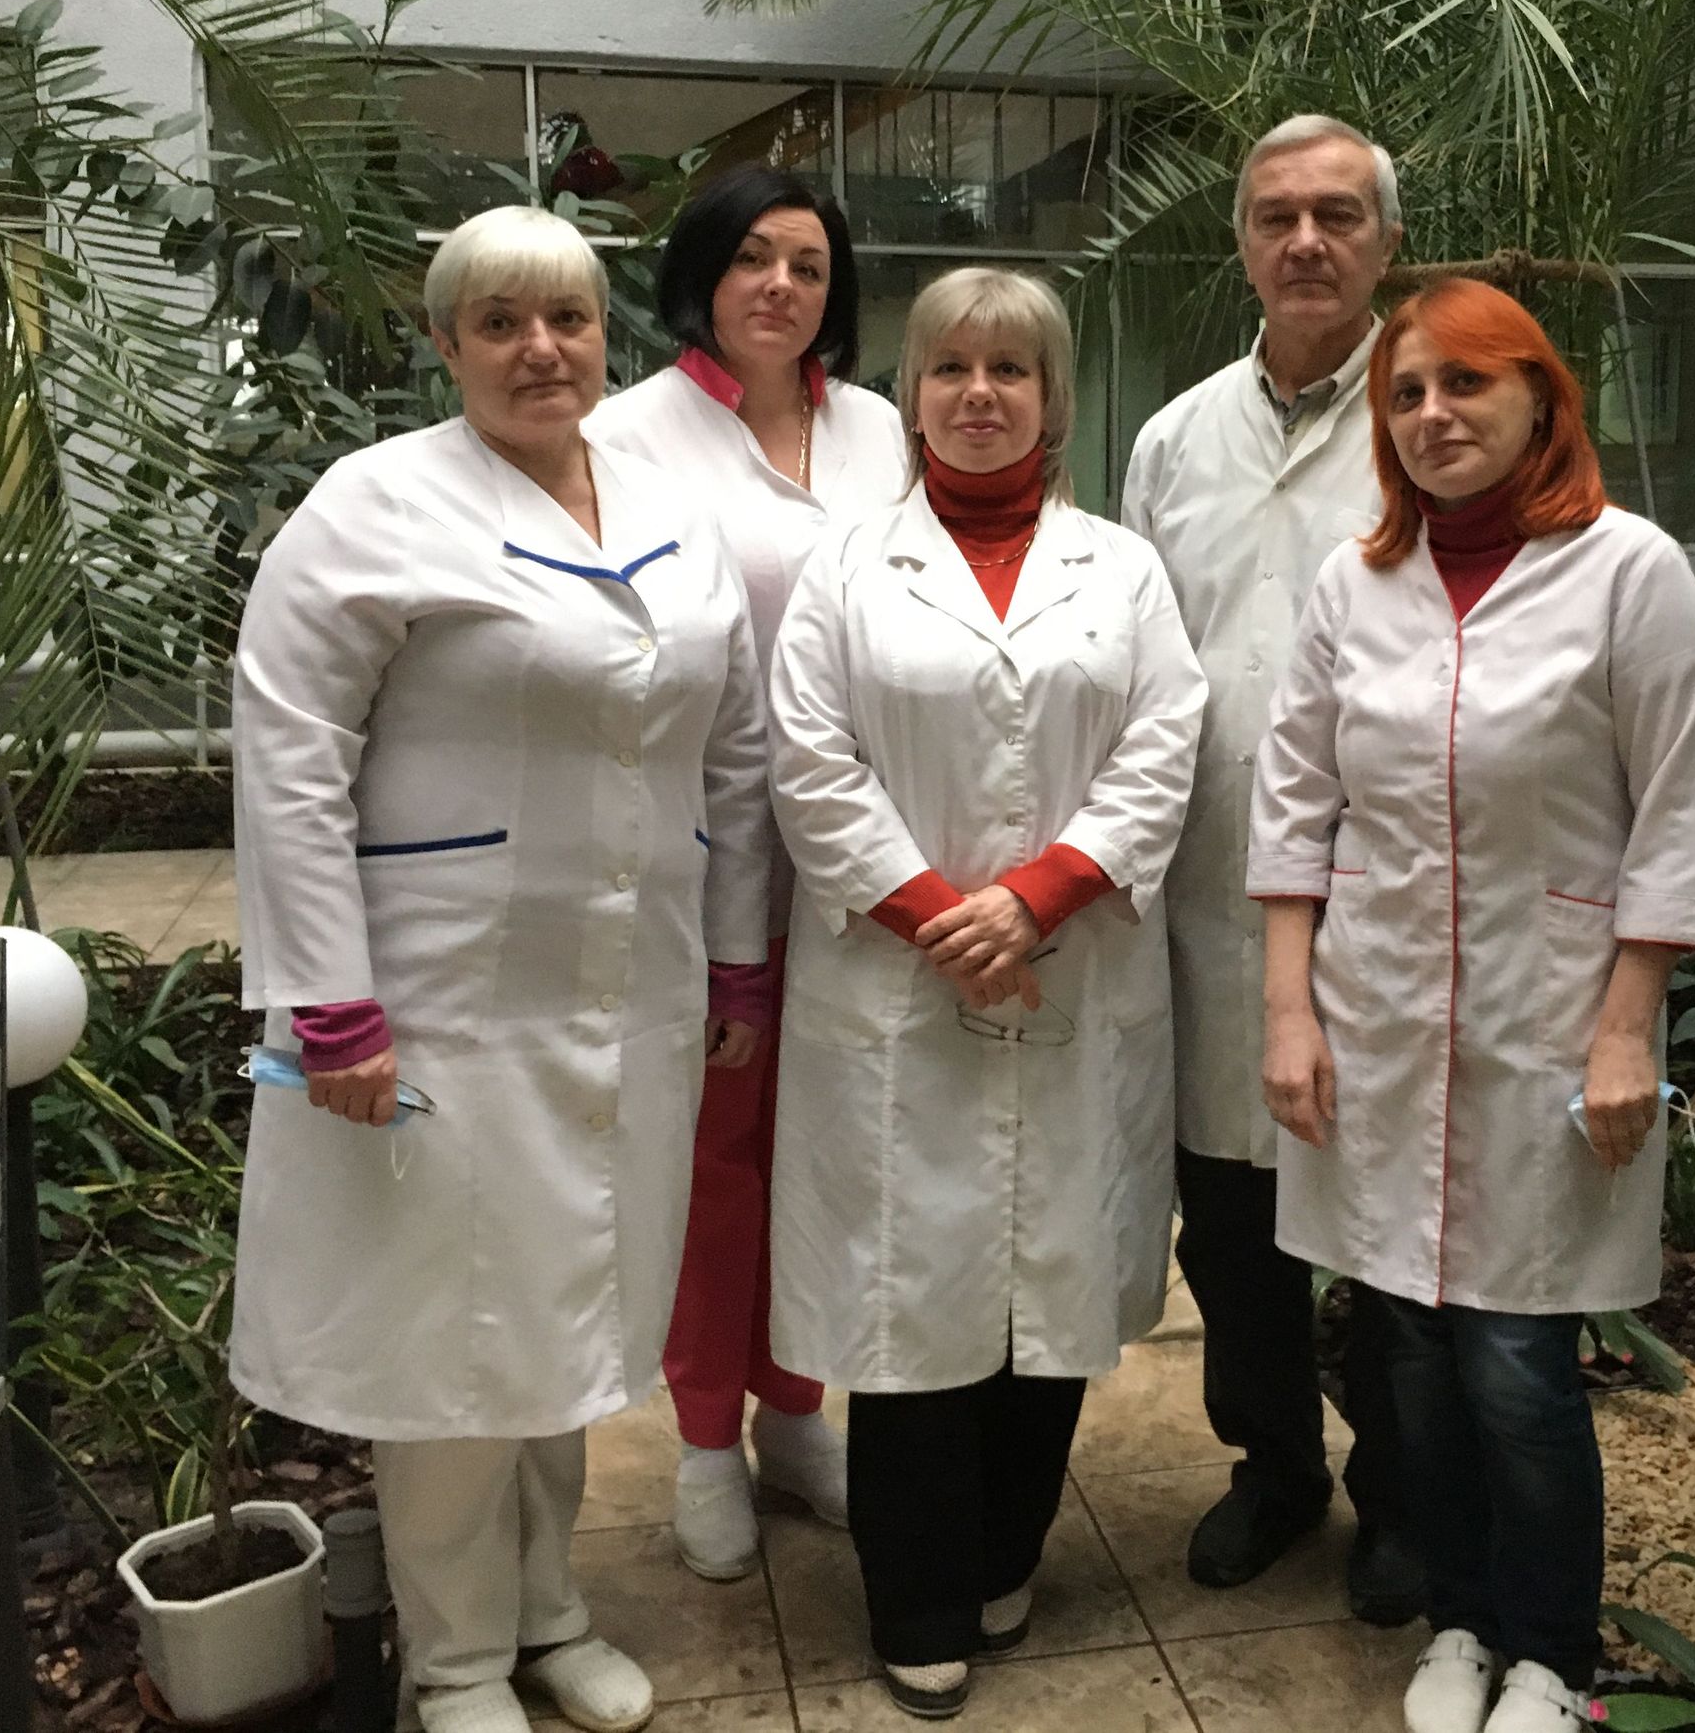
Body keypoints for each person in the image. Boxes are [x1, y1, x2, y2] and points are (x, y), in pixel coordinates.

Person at [230, 204, 774, 1733]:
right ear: (445, 344)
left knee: (571, 1315)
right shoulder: (375, 505)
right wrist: (328, 1001)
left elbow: (734, 751)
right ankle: (456, 1662)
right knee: (451, 1347)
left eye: (569, 319)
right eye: (501, 322)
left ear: (607, 335)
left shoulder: (671, 507)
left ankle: (549, 1612)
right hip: (437, 1009)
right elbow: (288, 753)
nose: (542, 349)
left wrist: (738, 964)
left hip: (632, 992)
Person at [1249, 277, 1695, 1733]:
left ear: (1539, 400)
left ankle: (1553, 1656)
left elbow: (1679, 814)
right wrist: (1288, 1012)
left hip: (1550, 1019)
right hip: (1380, 1016)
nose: (1434, 414)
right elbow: (1294, 805)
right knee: (1407, 1352)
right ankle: (1458, 1623)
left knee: (1520, 1365)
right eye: (1407, 393)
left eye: (1466, 383)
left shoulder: (1629, 572)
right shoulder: (1355, 583)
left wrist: (1627, 1027)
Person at [765, 266, 1207, 1719]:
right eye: (949, 367)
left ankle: (1010, 1551)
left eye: (1009, 370)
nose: (977, 393)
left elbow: (1165, 742)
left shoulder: (1122, 570)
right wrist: (937, 912)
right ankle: (916, 1597)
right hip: (899, 993)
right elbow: (809, 760)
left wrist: (1041, 895)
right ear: (911, 395)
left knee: (1052, 1282)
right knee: (911, 1301)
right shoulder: (846, 566)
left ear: (1053, 398)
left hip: (1069, 971)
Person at [1118, 112, 1423, 1620]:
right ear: (1240, 242)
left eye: (1337, 215)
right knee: (1230, 1218)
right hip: (1198, 897)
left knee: (1387, 1215)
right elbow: (1129, 658)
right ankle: (1276, 1464)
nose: (1306, 241)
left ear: (1387, 243)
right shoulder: (1174, 441)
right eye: (1276, 216)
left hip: (1391, 905)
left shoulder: (1438, 421)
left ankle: (1402, 1492)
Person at [589, 162, 906, 1582]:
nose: (782, 286)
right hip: (706, 859)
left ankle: (795, 1408)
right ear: (702, 275)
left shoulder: (881, 429)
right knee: (716, 1162)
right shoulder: (626, 436)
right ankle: (707, 1434)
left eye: (810, 266)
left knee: (833, 1148)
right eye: (753, 259)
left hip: (870, 857)